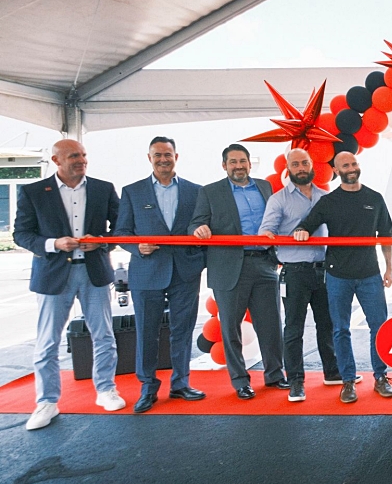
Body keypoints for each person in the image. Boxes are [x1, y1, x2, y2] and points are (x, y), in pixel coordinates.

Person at [14, 139, 125, 430]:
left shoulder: (103, 189)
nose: (81, 160)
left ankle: (106, 389)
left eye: (84, 155)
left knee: (104, 336)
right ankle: (46, 402)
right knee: (47, 342)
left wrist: (100, 242)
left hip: (93, 272)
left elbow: (121, 228)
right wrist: (53, 243)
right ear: (56, 160)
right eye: (74, 155)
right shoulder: (33, 192)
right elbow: (21, 234)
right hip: (53, 276)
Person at [294, 151, 392, 403]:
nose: (351, 168)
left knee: (379, 326)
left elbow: (386, 236)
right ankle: (348, 381)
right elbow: (306, 224)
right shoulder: (329, 201)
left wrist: (389, 268)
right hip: (338, 275)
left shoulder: (375, 198)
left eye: (353, 163)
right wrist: (301, 231)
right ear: (336, 171)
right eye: (345, 165)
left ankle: (381, 377)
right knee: (340, 329)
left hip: (370, 274)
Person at [114, 136, 206, 413]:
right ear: (149, 158)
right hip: (147, 271)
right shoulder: (132, 192)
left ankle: (181, 384)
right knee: (146, 332)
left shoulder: (196, 191)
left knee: (182, 330)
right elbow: (121, 232)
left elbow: (202, 226)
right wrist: (137, 247)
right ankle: (148, 387)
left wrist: (199, 255)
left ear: (176, 157)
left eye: (168, 154)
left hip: (184, 271)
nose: (163, 159)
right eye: (158, 155)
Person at [190, 143, 286, 399]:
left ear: (249, 163)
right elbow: (196, 223)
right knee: (231, 328)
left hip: (264, 263)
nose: (238, 166)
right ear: (224, 166)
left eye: (242, 161)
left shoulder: (265, 187)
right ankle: (240, 381)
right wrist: (199, 229)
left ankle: (275, 375)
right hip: (229, 266)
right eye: (233, 162)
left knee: (271, 324)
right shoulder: (210, 192)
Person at [259, 148, 354, 403]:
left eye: (304, 163)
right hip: (295, 273)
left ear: (312, 165)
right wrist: (268, 235)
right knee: (294, 328)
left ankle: (332, 372)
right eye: (295, 164)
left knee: (328, 324)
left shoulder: (325, 197)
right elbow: (265, 231)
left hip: (324, 270)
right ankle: (296, 381)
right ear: (288, 168)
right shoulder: (279, 199)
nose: (301, 168)